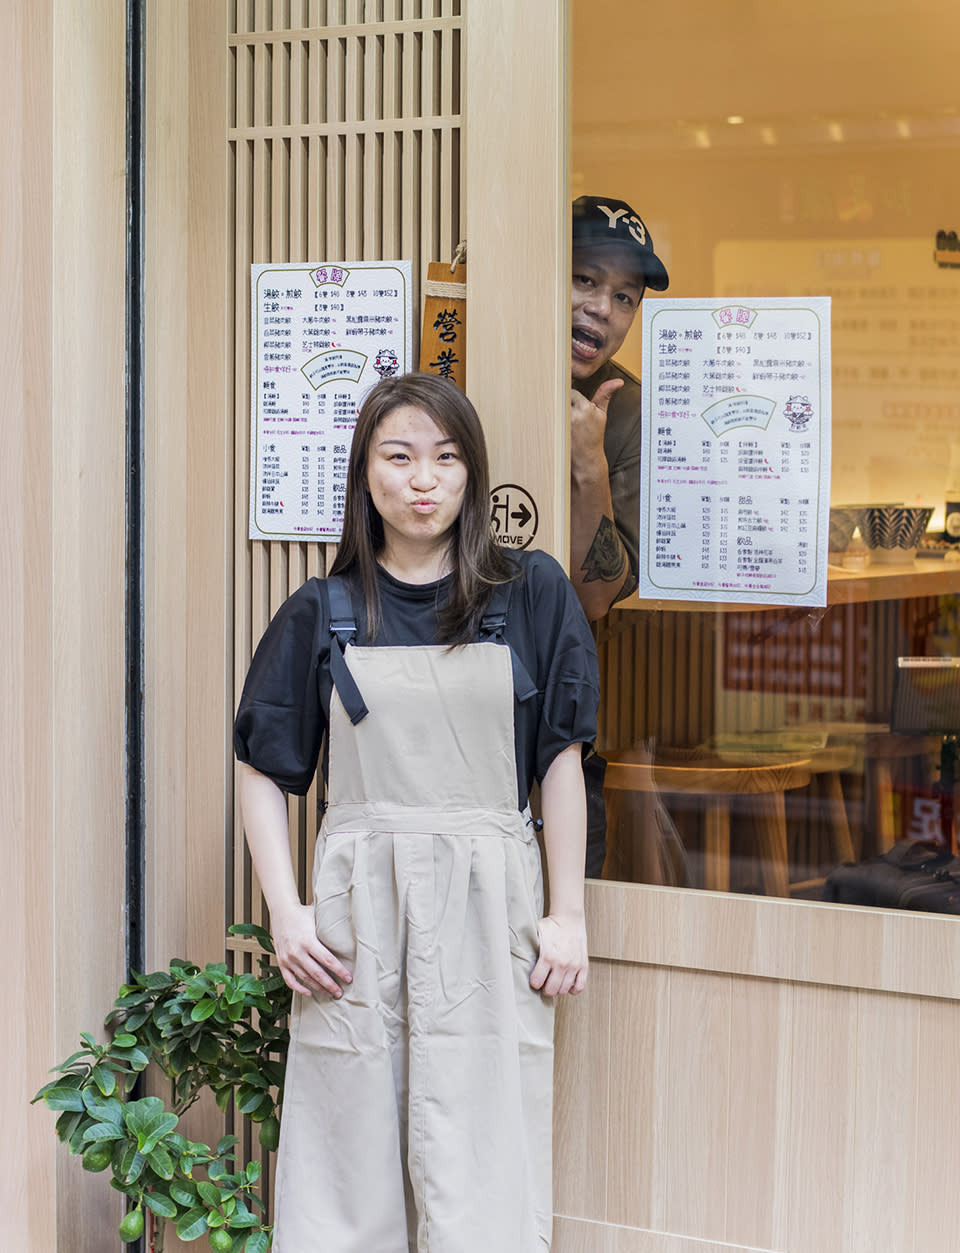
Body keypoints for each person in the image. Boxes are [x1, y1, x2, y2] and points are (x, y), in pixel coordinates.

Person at [234, 372, 599, 1252]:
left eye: (446, 458)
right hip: (358, 910)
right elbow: (262, 767)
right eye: (399, 457)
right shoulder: (322, 612)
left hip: (489, 902)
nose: (423, 478)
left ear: (472, 475)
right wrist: (286, 913)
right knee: (344, 1152)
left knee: (483, 1149)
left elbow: (559, 756)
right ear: (366, 474)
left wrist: (566, 912)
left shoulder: (530, 592)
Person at [568, 194, 670, 622]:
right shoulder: (471, 366)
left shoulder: (632, 412)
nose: (602, 308)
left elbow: (595, 600)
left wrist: (589, 461)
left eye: (625, 298)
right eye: (585, 280)